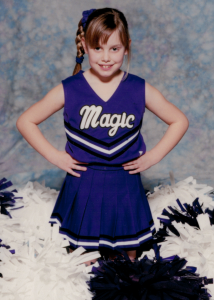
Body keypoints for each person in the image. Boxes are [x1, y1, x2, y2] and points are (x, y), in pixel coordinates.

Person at [16, 8, 189, 266]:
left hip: (125, 184)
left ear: (127, 47)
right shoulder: (70, 87)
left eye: (114, 49)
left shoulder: (138, 87)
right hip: (84, 183)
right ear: (84, 46)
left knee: (129, 260)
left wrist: (152, 156)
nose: (106, 57)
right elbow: (25, 120)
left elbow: (179, 120)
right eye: (98, 48)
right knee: (84, 263)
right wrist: (56, 157)